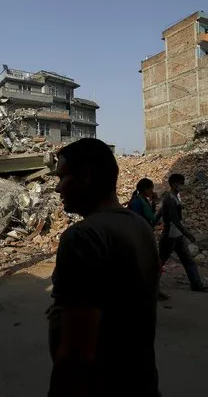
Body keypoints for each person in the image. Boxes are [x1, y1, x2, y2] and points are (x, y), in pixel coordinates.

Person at [48, 138, 160, 397]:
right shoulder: (138, 225)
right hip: (141, 381)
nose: (57, 188)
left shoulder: (83, 237)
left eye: (62, 177)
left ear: (86, 176)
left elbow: (77, 353)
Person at [159, 173, 208, 292]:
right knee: (160, 260)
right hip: (170, 234)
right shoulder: (170, 198)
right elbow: (175, 221)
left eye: (183, 183)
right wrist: (188, 234)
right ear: (173, 184)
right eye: (180, 183)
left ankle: (196, 284)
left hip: (177, 234)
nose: (182, 185)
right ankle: (149, 285)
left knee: (188, 260)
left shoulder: (176, 196)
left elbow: (161, 213)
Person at [127, 178, 169, 301]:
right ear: (145, 189)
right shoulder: (136, 202)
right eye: (151, 188)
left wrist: (154, 203)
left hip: (144, 235)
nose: (152, 191)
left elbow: (151, 218)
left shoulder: (144, 201)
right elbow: (136, 220)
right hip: (138, 236)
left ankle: (152, 289)